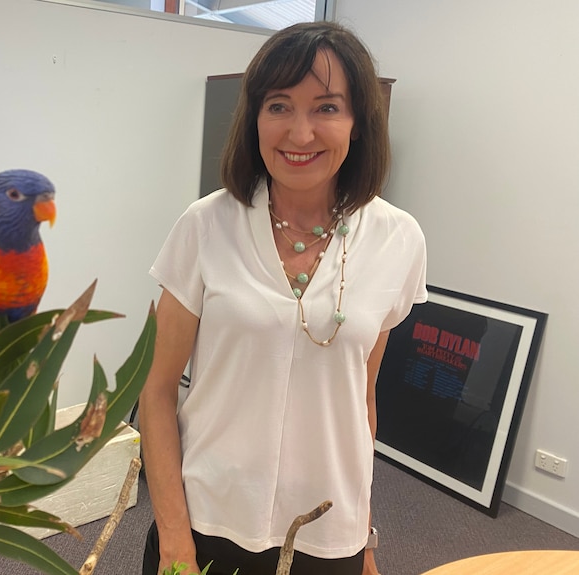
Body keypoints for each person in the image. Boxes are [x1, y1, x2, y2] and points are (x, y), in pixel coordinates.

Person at [139, 21, 427, 575]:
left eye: (326, 108)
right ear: (253, 119)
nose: (300, 134)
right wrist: (175, 536)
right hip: (207, 521)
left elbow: (360, 402)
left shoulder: (398, 239)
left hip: (330, 530)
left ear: (359, 123)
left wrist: (364, 537)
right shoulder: (205, 226)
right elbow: (154, 393)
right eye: (279, 106)